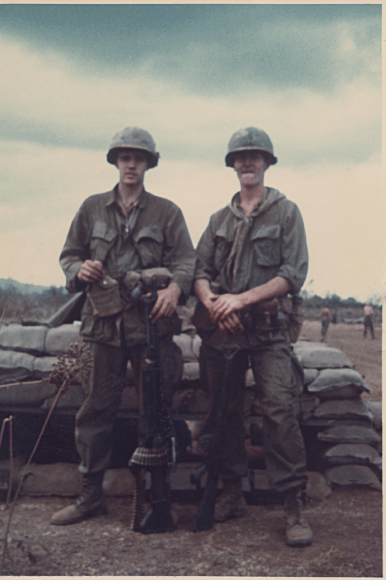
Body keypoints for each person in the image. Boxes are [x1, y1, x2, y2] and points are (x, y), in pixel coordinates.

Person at [51, 127, 196, 532]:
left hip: (152, 330)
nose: (131, 164)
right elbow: (69, 255)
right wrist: (78, 269)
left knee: (157, 412)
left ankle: (158, 495)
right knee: (96, 410)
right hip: (103, 328)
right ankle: (90, 495)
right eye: (125, 157)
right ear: (115, 161)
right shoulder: (92, 208)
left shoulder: (167, 212)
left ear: (150, 163)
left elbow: (186, 261)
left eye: (139, 158)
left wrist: (175, 288)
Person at [193, 127, 312, 547]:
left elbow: (292, 275)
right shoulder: (218, 221)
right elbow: (199, 272)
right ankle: (230, 491)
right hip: (223, 332)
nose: (247, 163)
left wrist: (240, 300)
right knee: (223, 411)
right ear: (232, 164)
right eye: (240, 157)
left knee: (280, 408)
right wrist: (213, 303)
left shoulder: (286, 212)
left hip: (267, 331)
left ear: (266, 163)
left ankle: (292, 502)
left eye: (255, 156)